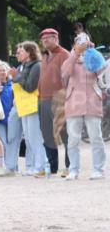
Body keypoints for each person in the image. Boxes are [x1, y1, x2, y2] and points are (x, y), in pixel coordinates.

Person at [61, 36, 106, 180]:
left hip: (92, 101)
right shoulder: (70, 58)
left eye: (84, 41)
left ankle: (98, 169)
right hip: (74, 102)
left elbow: (102, 73)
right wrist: (75, 53)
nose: (82, 44)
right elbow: (65, 73)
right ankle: (73, 169)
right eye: (79, 42)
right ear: (74, 44)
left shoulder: (93, 56)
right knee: (73, 139)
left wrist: (93, 53)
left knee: (96, 137)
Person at [11, 42, 47, 176]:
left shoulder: (37, 66)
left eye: (20, 51)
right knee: (29, 139)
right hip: (24, 107)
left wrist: (16, 76)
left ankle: (41, 166)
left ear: (29, 52)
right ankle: (35, 166)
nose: (17, 54)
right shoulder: (25, 66)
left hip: (33, 106)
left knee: (35, 137)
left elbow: (30, 86)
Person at [38, 28, 70, 176]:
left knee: (64, 133)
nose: (45, 41)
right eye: (43, 39)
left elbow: (69, 77)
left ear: (56, 38)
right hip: (43, 99)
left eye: (49, 38)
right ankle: (52, 168)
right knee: (47, 134)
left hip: (59, 98)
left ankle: (69, 166)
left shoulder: (64, 54)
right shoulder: (44, 56)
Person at [0, 61, 20, 175]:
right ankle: (5, 166)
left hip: (11, 118)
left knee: (12, 142)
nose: (1, 72)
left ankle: (14, 166)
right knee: (3, 143)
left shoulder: (13, 84)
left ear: (7, 71)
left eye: (3, 70)